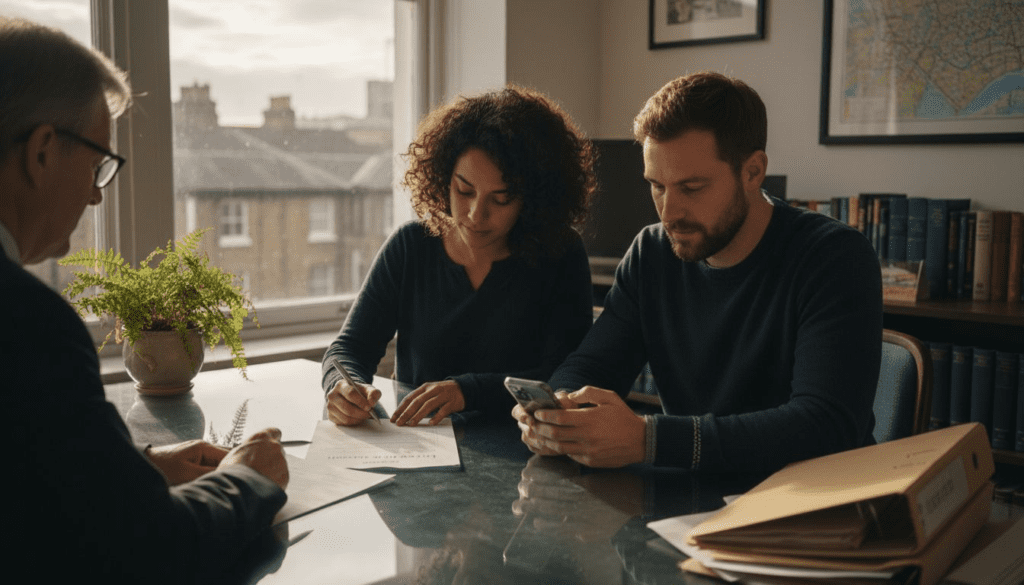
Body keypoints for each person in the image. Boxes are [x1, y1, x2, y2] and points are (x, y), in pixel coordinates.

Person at [0, 17, 289, 582]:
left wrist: (138, 470)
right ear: (41, 152)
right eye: (96, 164)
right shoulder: (28, 325)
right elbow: (155, 551)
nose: (94, 195)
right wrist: (250, 478)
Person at [514, 72, 883, 473]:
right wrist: (560, 413)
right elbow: (592, 364)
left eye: (692, 188)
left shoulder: (833, 256)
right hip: (693, 500)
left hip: (809, 504)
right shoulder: (651, 252)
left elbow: (826, 426)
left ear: (753, 171)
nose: (669, 213)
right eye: (657, 186)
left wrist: (649, 439)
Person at [322, 86, 596, 426]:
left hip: (521, 449)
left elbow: (564, 376)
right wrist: (342, 388)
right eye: (464, 191)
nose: (475, 214)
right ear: (442, 178)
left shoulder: (560, 254)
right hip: (418, 451)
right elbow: (348, 349)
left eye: (501, 199)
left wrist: (467, 391)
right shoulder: (411, 246)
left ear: (534, 198)